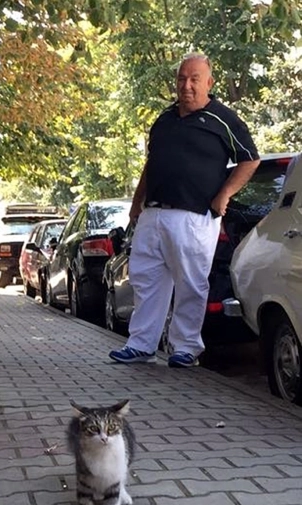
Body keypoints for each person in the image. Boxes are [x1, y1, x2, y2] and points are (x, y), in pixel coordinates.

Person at [109, 54, 260, 368]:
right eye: (181, 79)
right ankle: (141, 344)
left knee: (191, 282)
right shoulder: (163, 119)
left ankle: (186, 348)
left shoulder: (223, 118)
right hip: (153, 213)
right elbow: (151, 165)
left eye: (194, 79)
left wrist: (224, 195)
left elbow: (250, 159)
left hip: (193, 216)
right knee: (146, 279)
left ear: (209, 83)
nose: (186, 86)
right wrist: (137, 204)